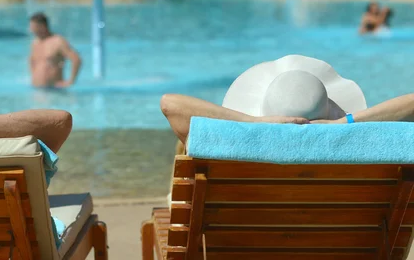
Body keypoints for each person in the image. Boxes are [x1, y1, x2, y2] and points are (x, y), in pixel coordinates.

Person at [161, 55, 414, 146]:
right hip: (347, 241)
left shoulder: (236, 147)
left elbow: (170, 103)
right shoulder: (357, 148)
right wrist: (343, 123)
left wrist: (253, 122)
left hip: (239, 240)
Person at [29, 12, 81, 88]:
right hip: (36, 89)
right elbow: (32, 61)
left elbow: (76, 59)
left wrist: (71, 81)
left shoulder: (58, 41)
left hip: (54, 90)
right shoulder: (35, 43)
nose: (31, 30)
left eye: (34, 27)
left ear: (42, 26)